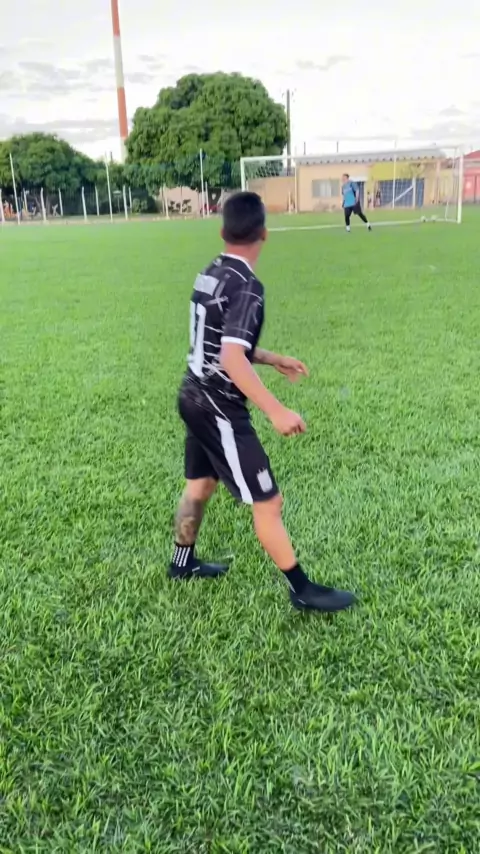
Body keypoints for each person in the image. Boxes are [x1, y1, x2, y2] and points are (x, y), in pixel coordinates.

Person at [169, 191, 357, 613]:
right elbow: (231, 357)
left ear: (223, 231)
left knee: (199, 485)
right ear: (265, 234)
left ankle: (181, 563)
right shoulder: (248, 286)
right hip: (218, 405)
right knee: (268, 502)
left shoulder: (210, 272)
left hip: (192, 394)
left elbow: (219, 343)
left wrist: (273, 359)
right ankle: (302, 589)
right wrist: (276, 410)